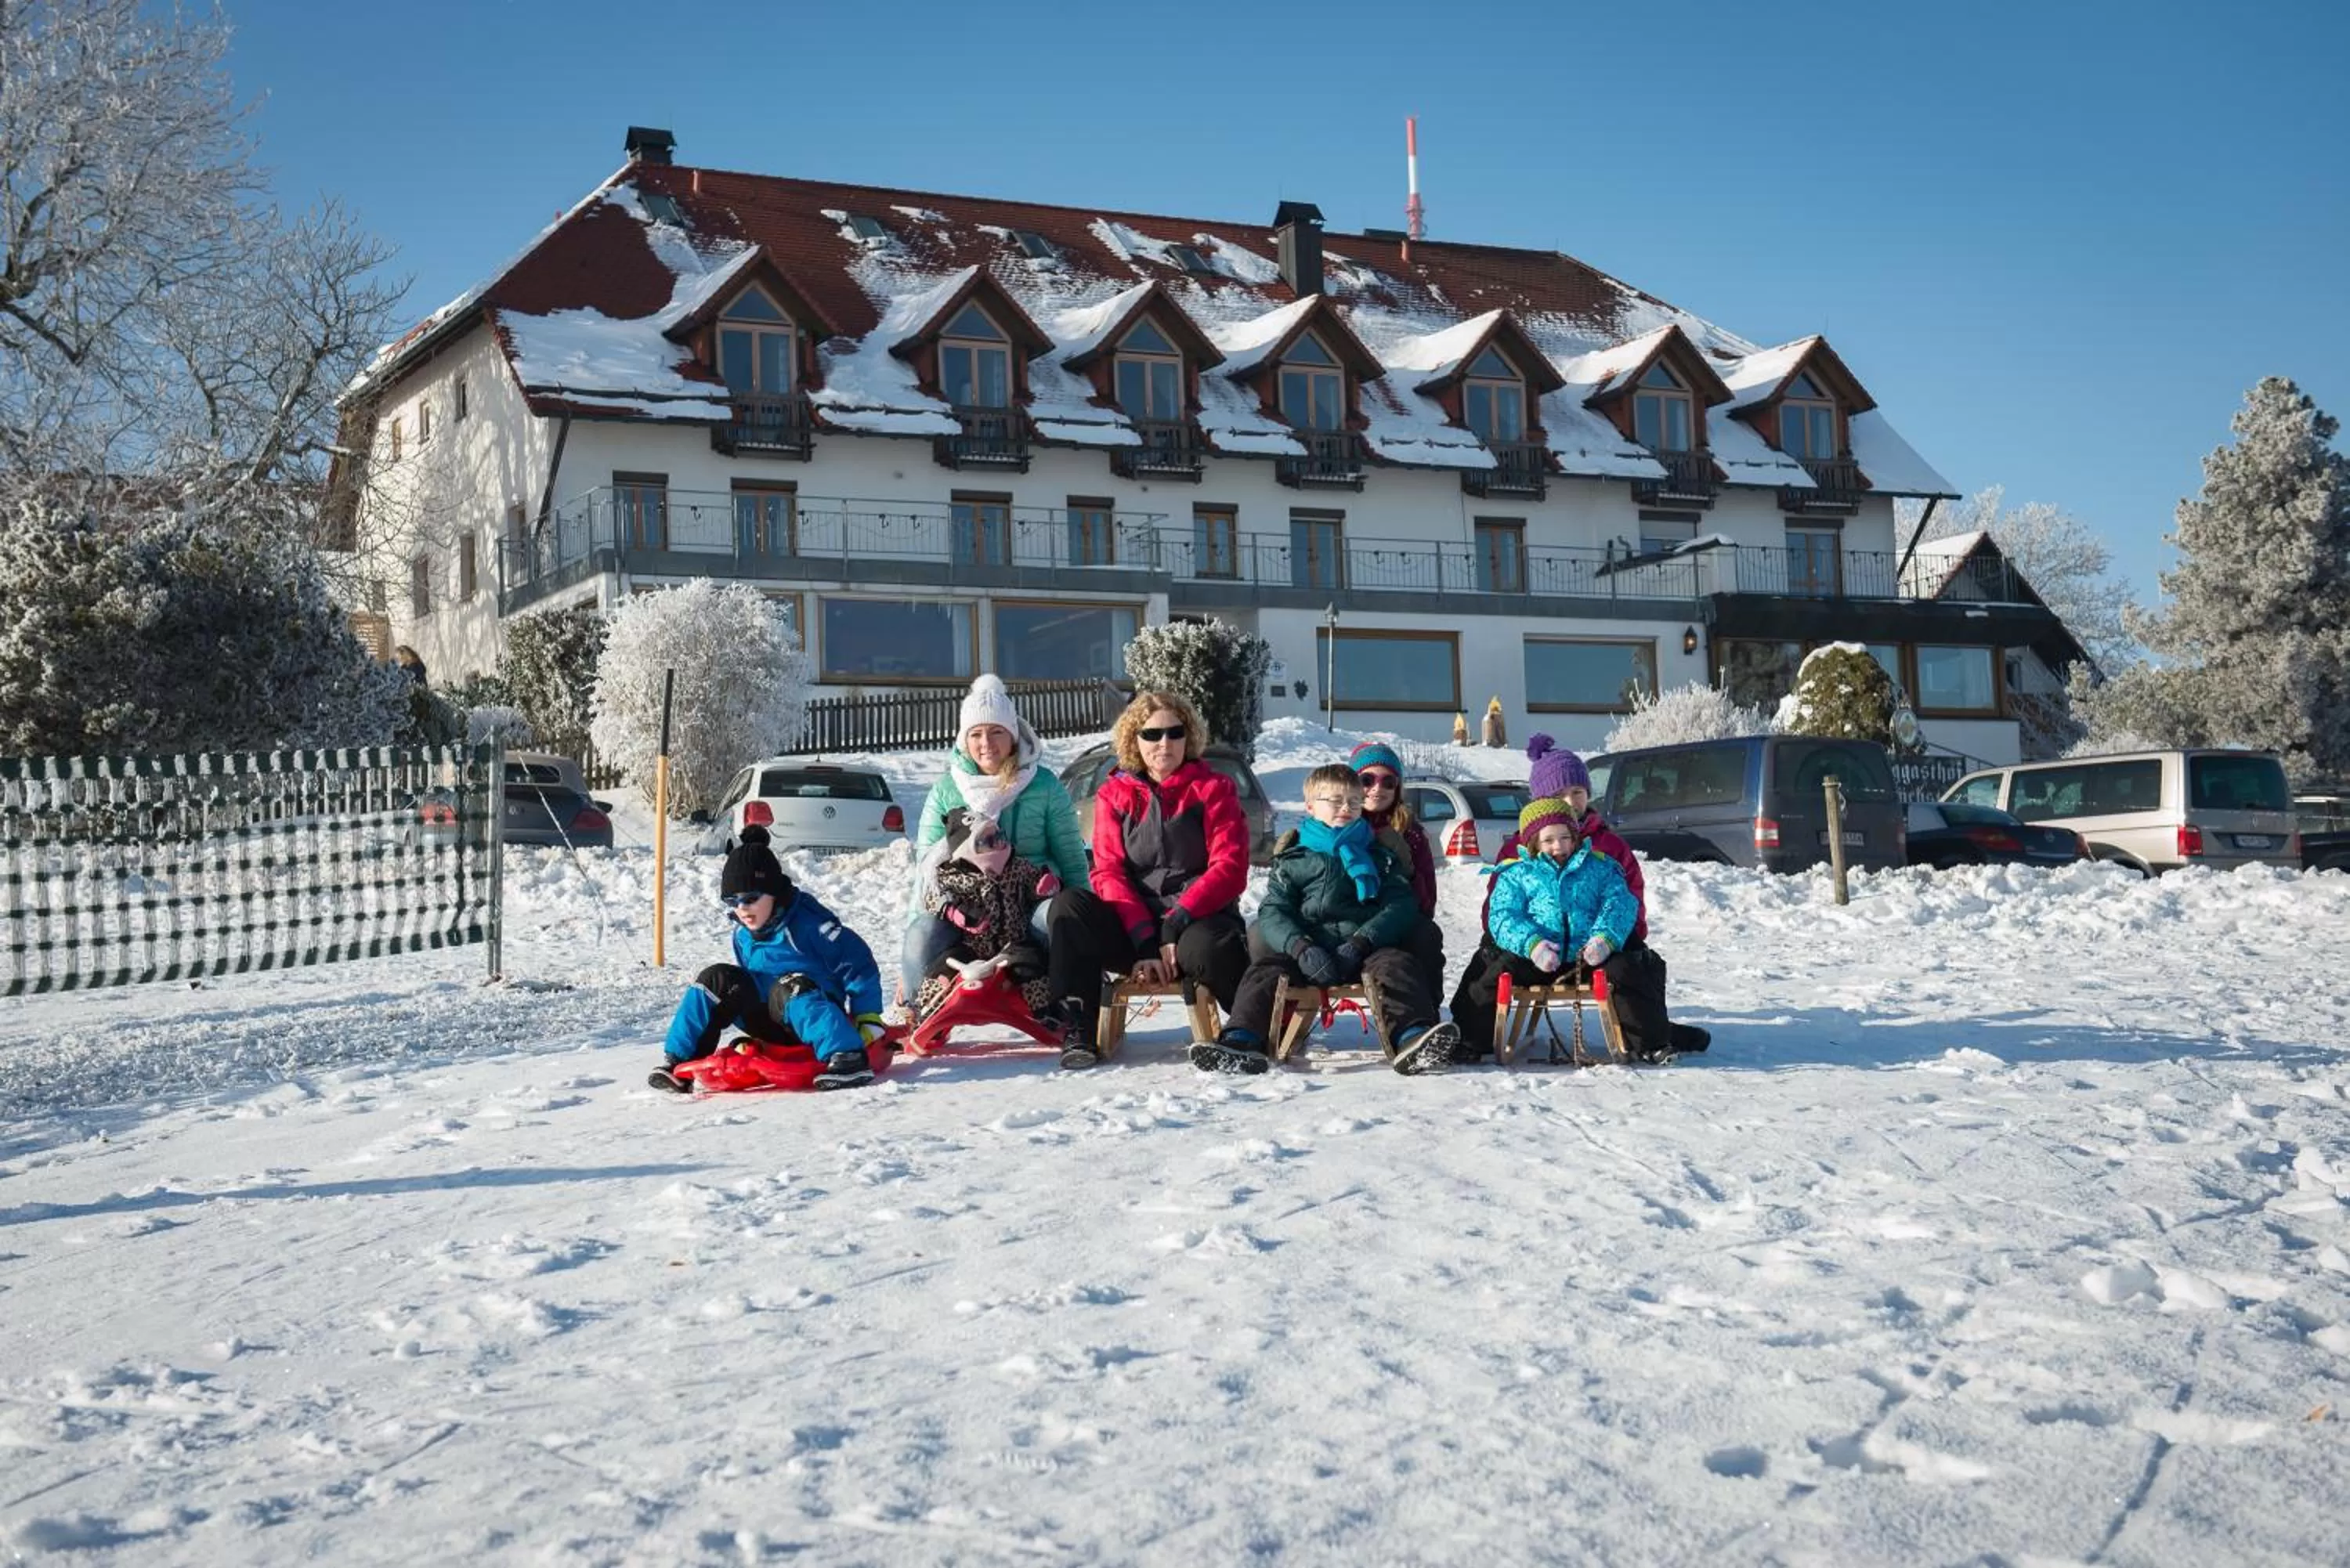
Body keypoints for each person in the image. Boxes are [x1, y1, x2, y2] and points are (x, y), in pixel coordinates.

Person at [1206, 764, 1457, 1075]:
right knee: (1265, 972)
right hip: (1309, 949)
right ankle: (1241, 1040)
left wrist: (1363, 941)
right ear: (1310, 806)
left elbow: (1401, 904)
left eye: (1353, 801)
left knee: (1396, 966)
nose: (1346, 808)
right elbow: (1274, 910)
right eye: (1335, 801)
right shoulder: (1295, 857)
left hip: (1365, 947)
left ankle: (1412, 1038)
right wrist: (1300, 947)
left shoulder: (1379, 853)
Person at [1044, 689, 1250, 1069]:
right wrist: (1143, 942)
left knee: (1208, 948)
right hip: (1133, 927)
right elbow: (1108, 871)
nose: (1164, 743)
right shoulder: (1114, 795)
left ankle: (1249, 1024)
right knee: (1069, 907)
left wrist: (1175, 923)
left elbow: (1230, 868)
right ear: (1133, 740)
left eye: (1174, 732)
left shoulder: (1214, 789)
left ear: (1189, 736)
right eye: (1151, 734)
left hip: (1196, 921)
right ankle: (1079, 1027)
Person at [1467, 734, 1706, 1059]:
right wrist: (1528, 942)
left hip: (1594, 947)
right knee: (1488, 961)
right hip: (1536, 947)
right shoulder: (1516, 855)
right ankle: (1468, 1038)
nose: (1569, 801)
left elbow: (1627, 900)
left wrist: (1610, 938)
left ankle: (1652, 1034)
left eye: (1576, 792)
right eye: (1557, 794)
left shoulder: (1608, 850)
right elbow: (1498, 910)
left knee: (1637, 963)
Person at [650, 826, 888, 1093]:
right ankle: (679, 1062)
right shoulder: (743, 935)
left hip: (816, 1010)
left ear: (773, 892)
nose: (742, 909)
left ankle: (847, 1056)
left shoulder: (810, 923)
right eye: (733, 902)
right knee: (715, 980)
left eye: (751, 899)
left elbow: (857, 962)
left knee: (789, 987)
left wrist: (867, 1015)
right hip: (773, 1017)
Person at [900, 674, 1087, 1010]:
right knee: (921, 935)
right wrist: (919, 925)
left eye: (996, 731)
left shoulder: (1043, 785)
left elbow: (1072, 858)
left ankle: (1065, 1004)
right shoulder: (947, 790)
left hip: (1030, 907)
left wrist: (1086, 920)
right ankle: (920, 1012)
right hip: (966, 909)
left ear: (1013, 735)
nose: (986, 742)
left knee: (1060, 918)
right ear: (964, 740)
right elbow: (926, 867)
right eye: (976, 734)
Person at [1449, 797, 1640, 1062]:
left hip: (1586, 958)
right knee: (1491, 967)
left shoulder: (1600, 868)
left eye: (1565, 838)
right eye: (1548, 840)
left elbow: (1620, 903)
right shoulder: (1517, 873)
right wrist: (1533, 944)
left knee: (1633, 967)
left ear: (1575, 837)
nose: (1558, 846)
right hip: (1537, 957)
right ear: (1534, 843)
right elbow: (1503, 916)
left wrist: (1604, 939)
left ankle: (1649, 1040)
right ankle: (1469, 1040)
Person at [913, 806, 1061, 1022]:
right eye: (989, 841)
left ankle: (1046, 1012)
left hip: (1013, 943)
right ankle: (926, 1013)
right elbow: (930, 897)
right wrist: (952, 910)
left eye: (999, 837)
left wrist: (1046, 885)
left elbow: (1037, 880)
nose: (999, 844)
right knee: (945, 966)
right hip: (973, 947)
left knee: (1030, 963)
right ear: (967, 849)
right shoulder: (952, 876)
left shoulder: (1016, 866)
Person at [1349, 739, 1446, 992]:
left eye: (1388, 782)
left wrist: (1408, 866)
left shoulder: (1411, 833)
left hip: (1396, 920)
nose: (1377, 789)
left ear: (1398, 788)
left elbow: (1426, 905)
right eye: (1367, 780)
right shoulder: (1340, 824)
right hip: (1348, 919)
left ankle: (1427, 1018)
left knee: (1427, 935)